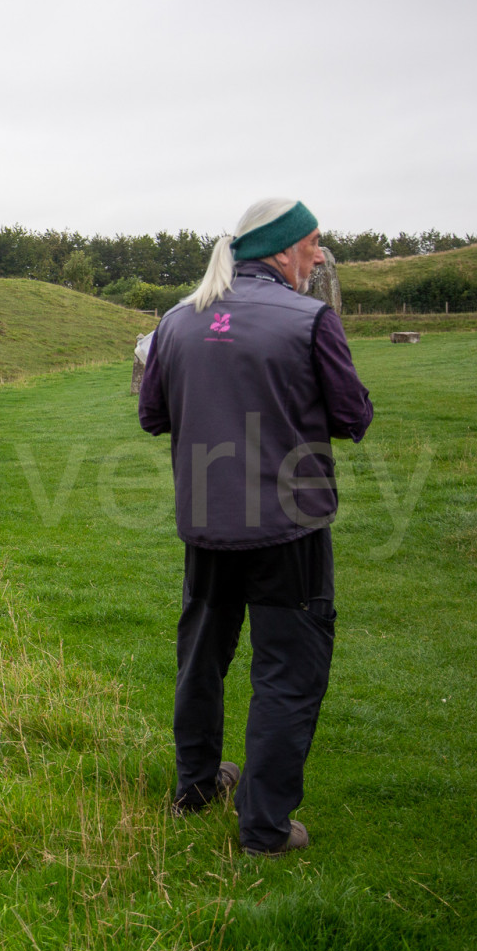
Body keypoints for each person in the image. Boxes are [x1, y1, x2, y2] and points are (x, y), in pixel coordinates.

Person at [137, 199, 373, 857]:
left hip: (207, 522)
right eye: (314, 243)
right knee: (287, 670)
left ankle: (196, 787)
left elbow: (152, 415)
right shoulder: (309, 319)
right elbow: (352, 417)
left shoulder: (176, 320)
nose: (319, 256)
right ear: (283, 248)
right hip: (289, 527)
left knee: (201, 658)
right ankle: (265, 828)